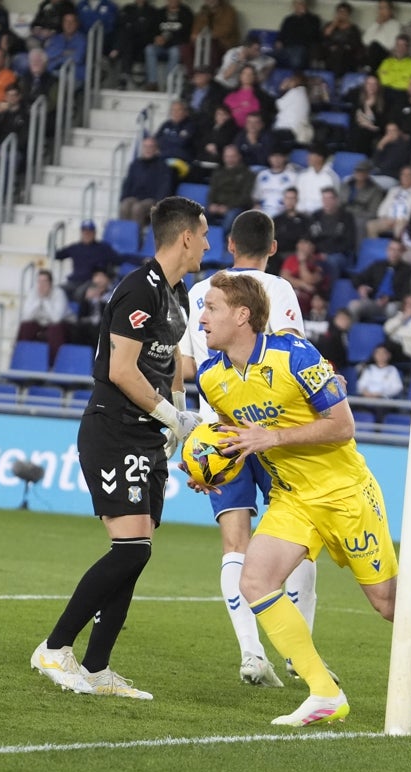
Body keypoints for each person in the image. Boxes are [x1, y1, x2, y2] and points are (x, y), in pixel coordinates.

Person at [190, 270, 411, 731]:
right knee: (255, 581)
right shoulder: (211, 376)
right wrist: (210, 471)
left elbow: (343, 425)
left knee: (389, 604)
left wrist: (273, 437)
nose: (201, 318)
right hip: (293, 498)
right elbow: (235, 441)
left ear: (242, 316)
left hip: (344, 494)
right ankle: (324, 691)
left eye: (211, 308)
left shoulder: (295, 355)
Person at [30, 195, 208, 700]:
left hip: (147, 433)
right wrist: (172, 416)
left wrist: (176, 412)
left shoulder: (179, 294)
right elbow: (120, 370)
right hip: (114, 427)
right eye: (205, 233)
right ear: (186, 237)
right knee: (130, 549)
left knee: (137, 552)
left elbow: (171, 358)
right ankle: (54, 646)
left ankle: (96, 667)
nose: (209, 243)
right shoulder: (138, 289)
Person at [177, 208, 316, 688]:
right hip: (270, 433)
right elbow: (293, 351)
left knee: (235, 542)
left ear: (230, 246)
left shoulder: (200, 292)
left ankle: (252, 654)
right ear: (273, 249)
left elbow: (184, 367)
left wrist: (185, 430)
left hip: (218, 436)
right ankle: (300, 655)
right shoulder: (276, 289)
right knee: (299, 544)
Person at [17, 268, 69, 366]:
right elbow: (26, 316)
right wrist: (38, 302)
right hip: (40, 324)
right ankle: (22, 360)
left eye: (44, 281)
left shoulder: (59, 293)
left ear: (51, 283)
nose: (41, 285)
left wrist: (45, 301)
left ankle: (53, 365)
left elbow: (56, 318)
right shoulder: (33, 292)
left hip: (62, 326)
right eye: (39, 281)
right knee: (25, 327)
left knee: (55, 329)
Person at [118, 135, 172, 228]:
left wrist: (159, 203)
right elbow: (127, 183)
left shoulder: (163, 166)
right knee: (124, 205)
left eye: (151, 147)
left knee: (137, 208)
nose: (148, 149)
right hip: (135, 197)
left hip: (152, 199)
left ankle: (136, 238)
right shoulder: (135, 164)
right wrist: (123, 197)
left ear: (156, 149)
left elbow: (165, 188)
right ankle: (124, 235)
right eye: (146, 146)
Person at [54, 220, 119, 289]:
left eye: (89, 232)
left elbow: (118, 260)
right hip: (74, 282)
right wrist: (52, 240)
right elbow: (56, 255)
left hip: (91, 284)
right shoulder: (75, 248)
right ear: (81, 233)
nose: (87, 235)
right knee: (58, 291)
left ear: (94, 233)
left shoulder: (103, 248)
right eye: (85, 232)